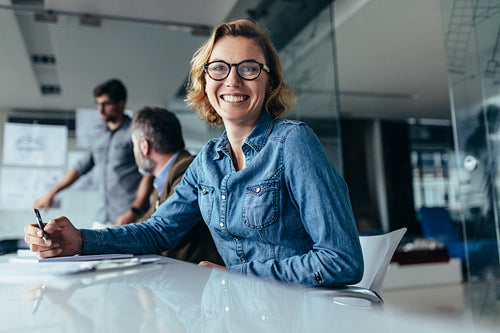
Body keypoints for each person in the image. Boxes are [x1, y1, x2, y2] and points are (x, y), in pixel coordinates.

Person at [24, 20, 363, 288]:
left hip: (293, 315)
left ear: (268, 81)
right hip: (235, 312)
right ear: (205, 82)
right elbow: (158, 231)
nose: (233, 80)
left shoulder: (293, 143)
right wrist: (80, 240)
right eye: (219, 68)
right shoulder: (207, 161)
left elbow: (340, 259)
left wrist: (242, 275)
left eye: (249, 68)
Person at [32, 79, 153, 227]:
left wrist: (133, 211)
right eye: (98, 104)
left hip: (132, 217)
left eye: (106, 104)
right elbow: (79, 168)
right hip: (103, 217)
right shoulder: (100, 136)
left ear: (121, 103)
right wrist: (52, 193)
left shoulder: (135, 132)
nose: (100, 109)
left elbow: (148, 173)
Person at [131, 106, 223, 264]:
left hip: (196, 280)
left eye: (134, 145)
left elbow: (159, 231)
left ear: (144, 146)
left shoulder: (186, 170)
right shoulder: (162, 179)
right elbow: (149, 222)